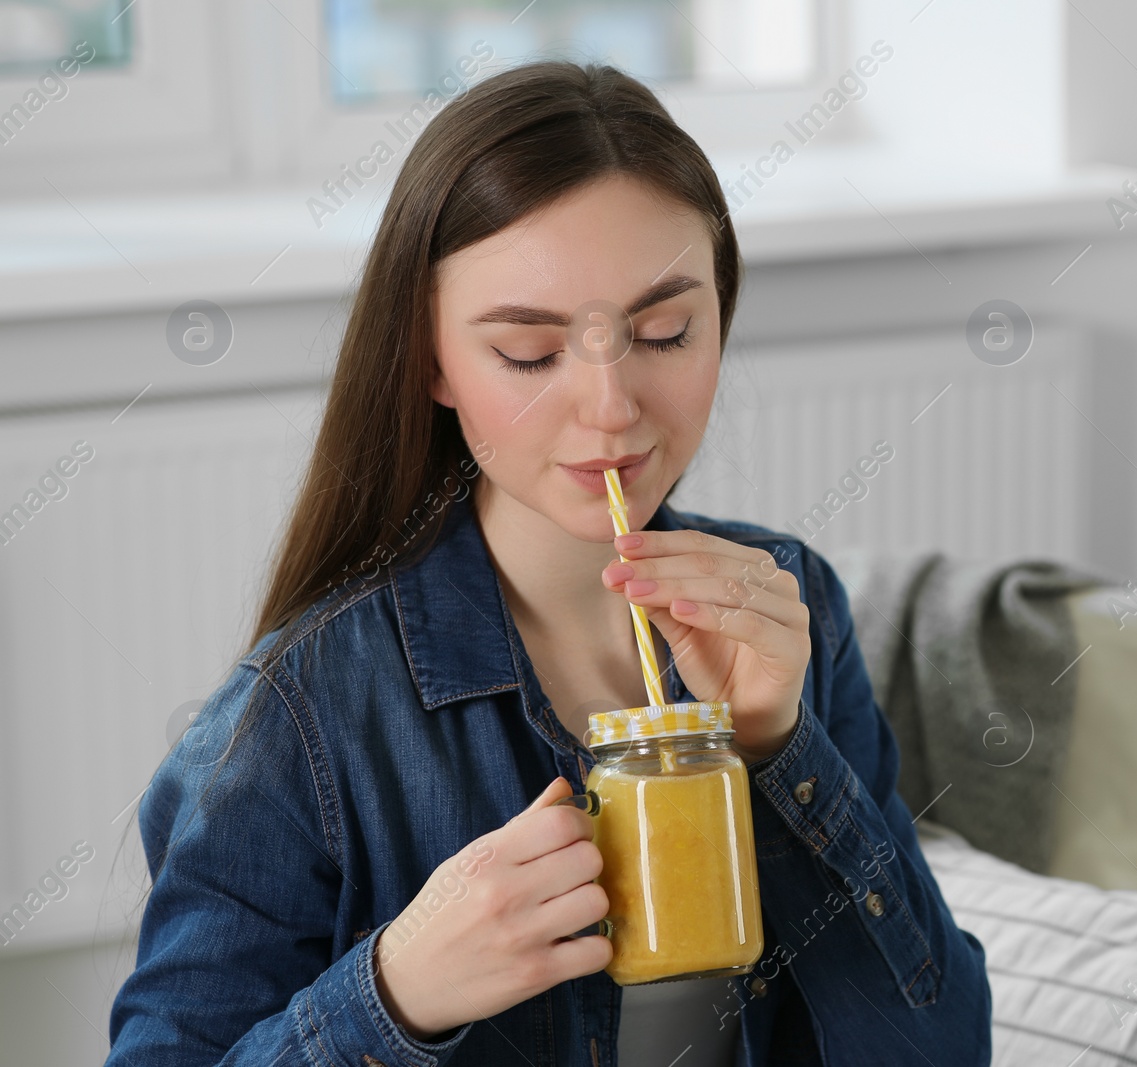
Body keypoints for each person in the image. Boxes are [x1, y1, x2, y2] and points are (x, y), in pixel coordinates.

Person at [105, 60, 991, 1066]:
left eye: (666, 331)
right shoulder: (297, 715)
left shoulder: (795, 605)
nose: (611, 406)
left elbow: (940, 1047)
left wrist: (780, 749)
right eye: (529, 352)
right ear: (430, 359)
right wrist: (397, 989)